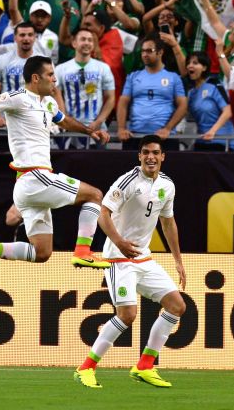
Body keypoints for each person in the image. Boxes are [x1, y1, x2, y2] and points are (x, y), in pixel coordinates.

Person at [0, 55, 111, 270]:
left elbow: (64, 120)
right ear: (36, 78)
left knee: (42, 253)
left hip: (28, 186)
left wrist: (89, 131)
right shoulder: (18, 97)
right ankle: (84, 252)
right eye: (50, 75)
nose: (55, 80)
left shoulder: (48, 102)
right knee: (94, 195)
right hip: (34, 177)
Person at [74, 134, 185, 389]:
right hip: (118, 257)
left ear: (162, 156)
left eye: (155, 153)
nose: (150, 157)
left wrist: (178, 260)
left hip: (143, 258)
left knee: (176, 305)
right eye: (146, 152)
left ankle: (145, 366)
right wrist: (120, 241)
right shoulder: (127, 181)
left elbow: (168, 223)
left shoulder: (167, 185)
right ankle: (86, 368)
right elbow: (103, 213)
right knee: (127, 315)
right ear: (139, 156)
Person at [116, 35, 187, 151]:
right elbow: (123, 103)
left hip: (164, 138)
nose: (145, 54)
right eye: (143, 51)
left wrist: (168, 129)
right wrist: (121, 128)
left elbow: (183, 105)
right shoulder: (133, 76)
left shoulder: (173, 77)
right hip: (136, 136)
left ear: (160, 53)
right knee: (134, 170)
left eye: (149, 51)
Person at [54, 28, 116, 149]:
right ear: (74, 43)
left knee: (96, 167)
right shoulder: (61, 69)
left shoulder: (103, 68)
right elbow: (56, 94)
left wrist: (98, 122)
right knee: (70, 167)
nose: (87, 43)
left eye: (90, 40)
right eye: (83, 39)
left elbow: (111, 98)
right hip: (70, 129)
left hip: (97, 129)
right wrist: (65, 120)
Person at [185, 51, 234, 151]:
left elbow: (228, 111)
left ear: (204, 67)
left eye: (195, 63)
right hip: (201, 140)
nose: (190, 66)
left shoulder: (214, 84)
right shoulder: (191, 92)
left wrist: (212, 131)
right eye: (188, 63)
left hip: (220, 140)